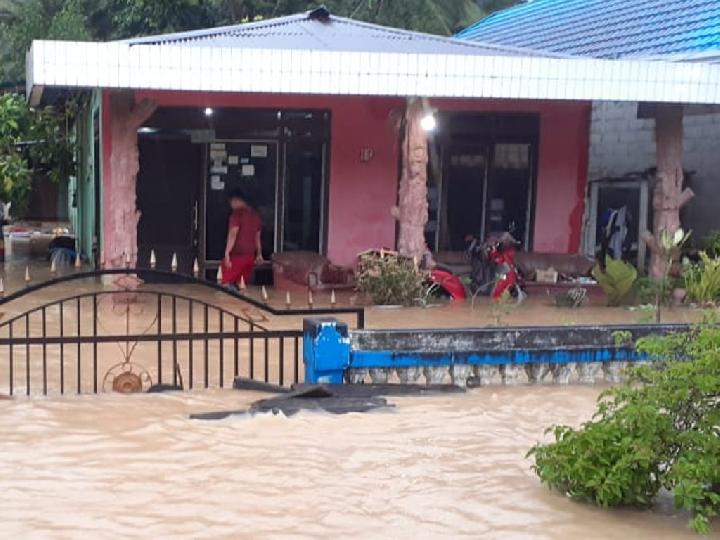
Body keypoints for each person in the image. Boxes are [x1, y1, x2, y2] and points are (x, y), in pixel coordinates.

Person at [221, 189, 263, 290]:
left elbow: (233, 233)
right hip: (250, 256)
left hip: (237, 255)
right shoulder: (256, 215)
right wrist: (259, 254)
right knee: (242, 285)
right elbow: (257, 237)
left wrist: (227, 252)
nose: (231, 206)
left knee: (226, 282)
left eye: (231, 202)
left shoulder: (237, 214)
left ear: (236, 200)